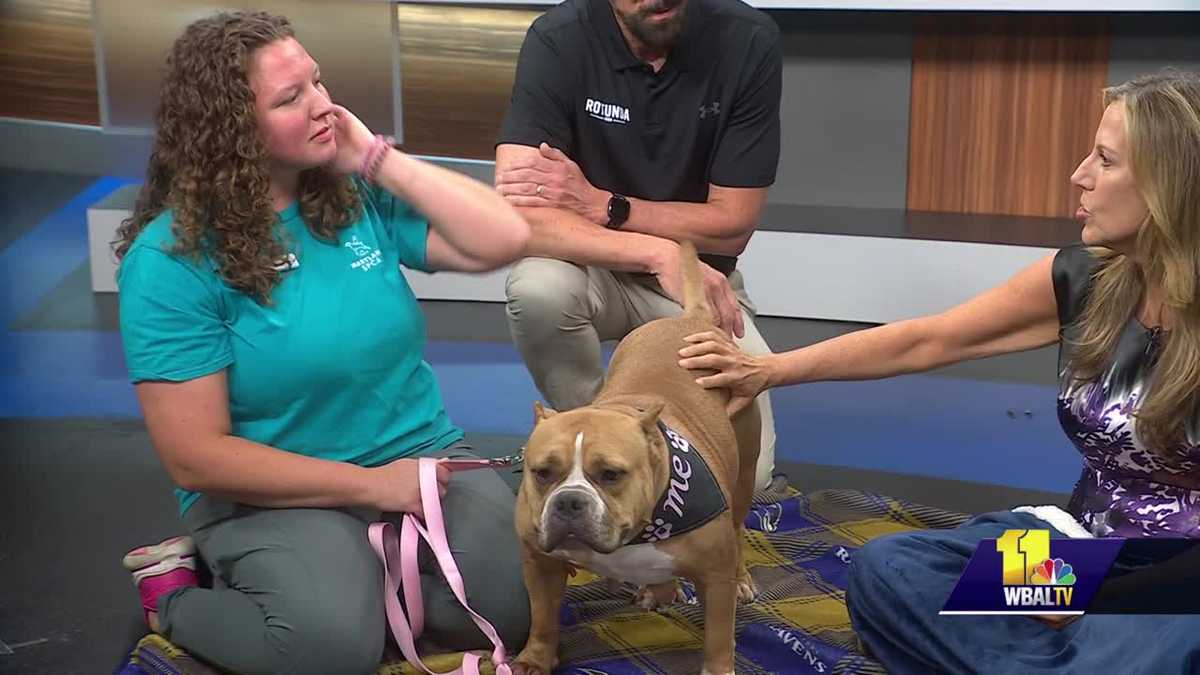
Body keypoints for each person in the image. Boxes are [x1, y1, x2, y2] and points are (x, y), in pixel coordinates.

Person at [678, 70, 1200, 673]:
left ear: (1169, 185)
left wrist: (1097, 601)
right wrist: (765, 370)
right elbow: (929, 339)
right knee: (892, 573)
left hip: (1175, 582)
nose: (1078, 175)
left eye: (1105, 161)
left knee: (1157, 648)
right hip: (1078, 555)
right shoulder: (1085, 277)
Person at [114, 12, 531, 674]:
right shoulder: (168, 261)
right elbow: (196, 457)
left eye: (318, 81)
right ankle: (173, 593)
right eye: (291, 98)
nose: (323, 107)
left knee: (518, 611)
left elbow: (504, 238)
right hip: (273, 490)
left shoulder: (353, 191)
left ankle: (356, 576)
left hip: (414, 454)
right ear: (233, 130)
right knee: (329, 647)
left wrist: (376, 157)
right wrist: (369, 488)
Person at [494, 0, 783, 490]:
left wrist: (610, 207)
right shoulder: (558, 38)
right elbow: (521, 218)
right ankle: (589, 438)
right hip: (593, 268)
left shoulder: (747, 37)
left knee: (747, 481)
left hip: (696, 284)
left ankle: (647, 457)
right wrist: (659, 251)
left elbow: (732, 223)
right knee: (539, 289)